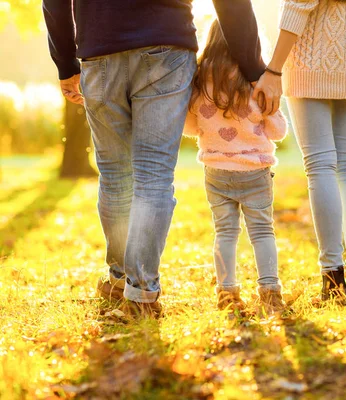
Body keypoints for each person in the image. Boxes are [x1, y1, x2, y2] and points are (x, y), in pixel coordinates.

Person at [42, 0, 277, 318]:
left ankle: (120, 278)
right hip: (166, 47)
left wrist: (66, 64)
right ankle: (140, 293)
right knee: (153, 173)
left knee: (115, 173)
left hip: (99, 50)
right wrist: (252, 68)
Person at [253, 0, 346, 306]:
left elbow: (298, 5)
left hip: (314, 57)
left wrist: (274, 68)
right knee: (344, 164)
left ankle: (332, 279)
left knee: (321, 165)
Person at [184, 21, 288, 315]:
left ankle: (227, 292)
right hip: (255, 170)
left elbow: (191, 126)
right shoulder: (257, 82)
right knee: (262, 232)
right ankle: (269, 290)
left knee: (225, 232)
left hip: (216, 170)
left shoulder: (201, 81)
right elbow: (278, 130)